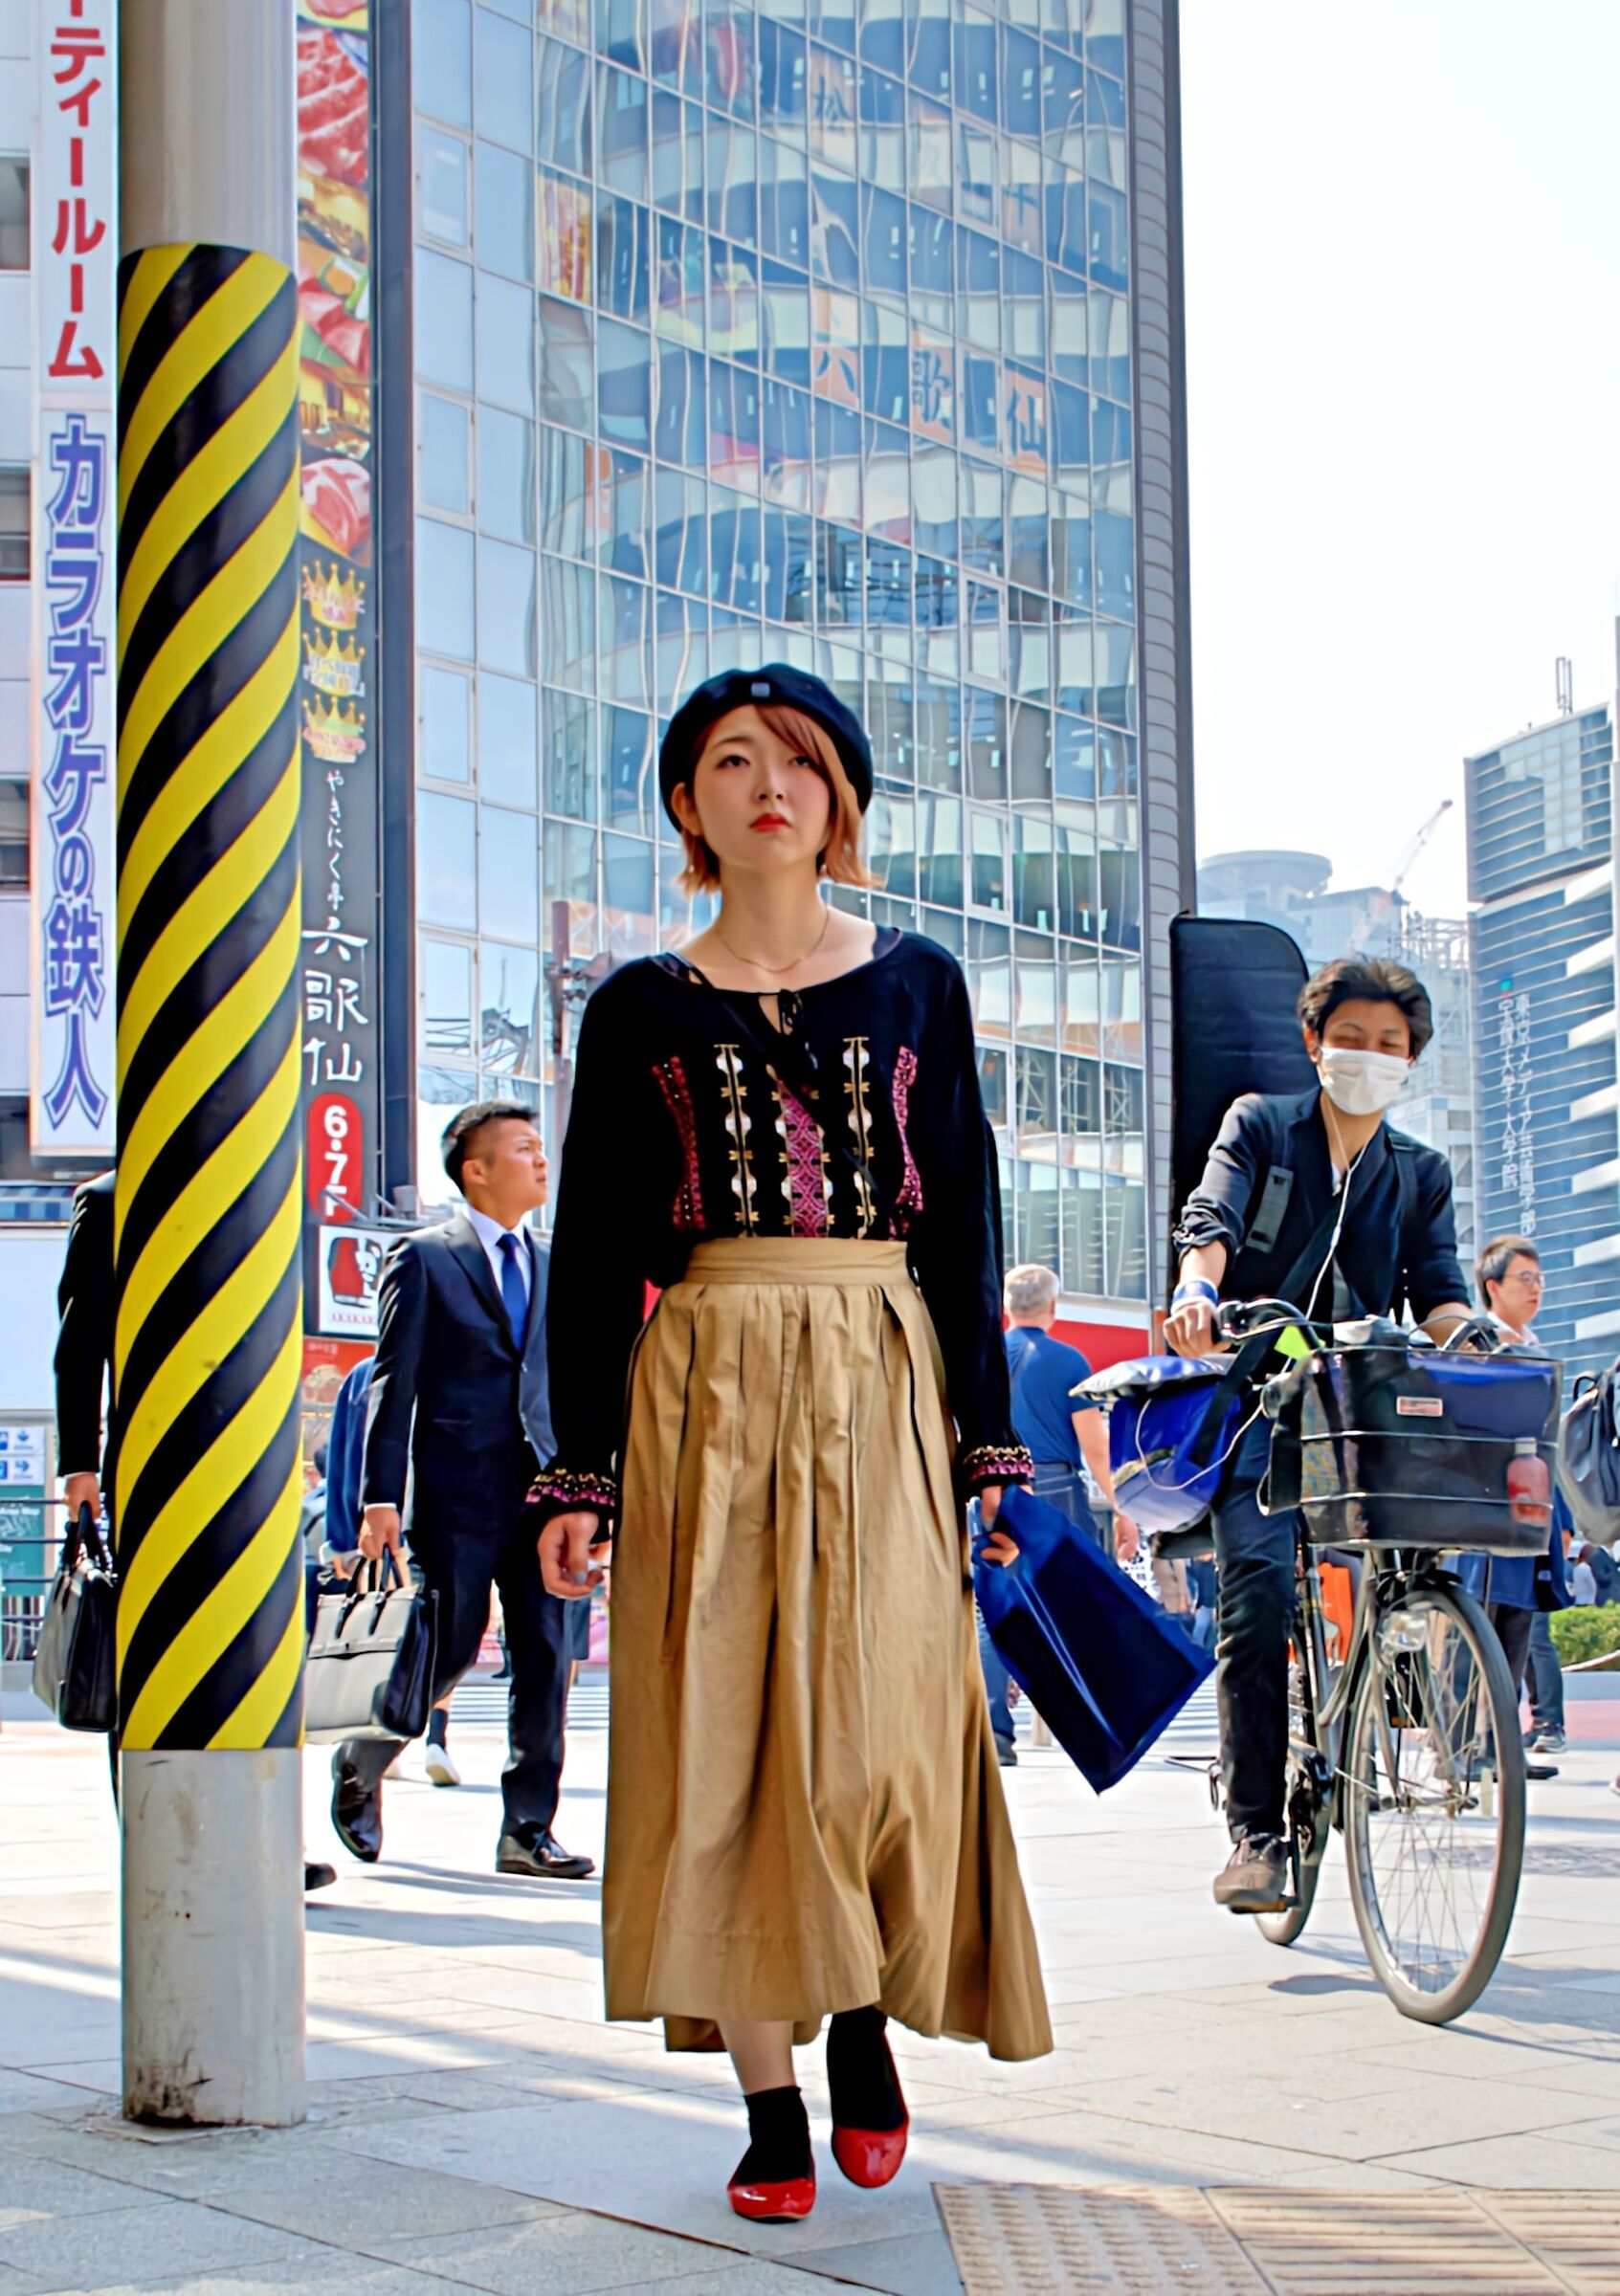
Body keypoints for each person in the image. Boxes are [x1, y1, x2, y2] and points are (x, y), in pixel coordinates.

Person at [535, 666, 1051, 2225]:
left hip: (878, 1360)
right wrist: (581, 1472)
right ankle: (769, 2097)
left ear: (842, 802)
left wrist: (984, 1446)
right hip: (699, 1373)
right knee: (719, 1736)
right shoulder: (635, 1005)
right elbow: (592, 1246)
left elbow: (959, 1216)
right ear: (686, 804)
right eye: (731, 760)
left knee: (877, 1723)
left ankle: (863, 2022)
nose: (770, 783)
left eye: (803, 762)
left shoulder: (915, 980)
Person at [1167, 954, 1472, 1913]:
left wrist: (1475, 1333)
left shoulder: (1417, 1173)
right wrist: (1195, 1289)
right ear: (1314, 1043)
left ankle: (1398, 1675)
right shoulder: (1261, 1124)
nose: (1368, 1056)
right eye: (1351, 1038)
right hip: (1259, 1397)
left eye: (1389, 1045)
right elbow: (1210, 1215)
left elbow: (1438, 1289)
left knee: (1422, 1548)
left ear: (1410, 1060)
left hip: (1359, 1406)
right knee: (1256, 1597)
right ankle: (1256, 1833)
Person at [55, 1172, 339, 1890]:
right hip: (150, 1463)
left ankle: (263, 1836)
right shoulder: (110, 1199)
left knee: (257, 1651)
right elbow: (80, 1338)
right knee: (147, 1651)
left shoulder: (268, 1179)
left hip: (255, 1469)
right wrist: (78, 1467)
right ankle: (152, 1835)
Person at [331, 1102, 587, 1879]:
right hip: (457, 1490)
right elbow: (391, 1383)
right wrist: (380, 1498)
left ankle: (527, 1828)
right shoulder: (426, 1257)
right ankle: (364, 1756)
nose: (540, 1161)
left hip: (544, 1492)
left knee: (548, 1651)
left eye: (541, 1148)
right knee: (445, 1646)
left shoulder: (554, 1263)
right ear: (476, 1170)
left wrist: (588, 1488)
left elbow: (568, 1385)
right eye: (522, 1149)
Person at [1456, 1235, 1571, 1781]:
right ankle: (1456, 1749)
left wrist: (1563, 1522)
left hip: (1531, 1510)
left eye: (1539, 1279)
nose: (1535, 1288)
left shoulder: (1540, 1350)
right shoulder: (1474, 1347)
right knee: (1469, 1633)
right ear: (1492, 1287)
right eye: (1524, 1278)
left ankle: (1502, 1749)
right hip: (1482, 1512)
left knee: (1516, 1634)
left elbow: (1554, 1447)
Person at [1002, 1264, 1138, 1557]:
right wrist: (1121, 1508)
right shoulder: (1070, 1361)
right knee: (1072, 1589)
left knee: (1005, 1591)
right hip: (1057, 1491)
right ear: (1052, 1305)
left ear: (1006, 1305)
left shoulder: (986, 1356)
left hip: (996, 1487)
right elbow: (1095, 1447)